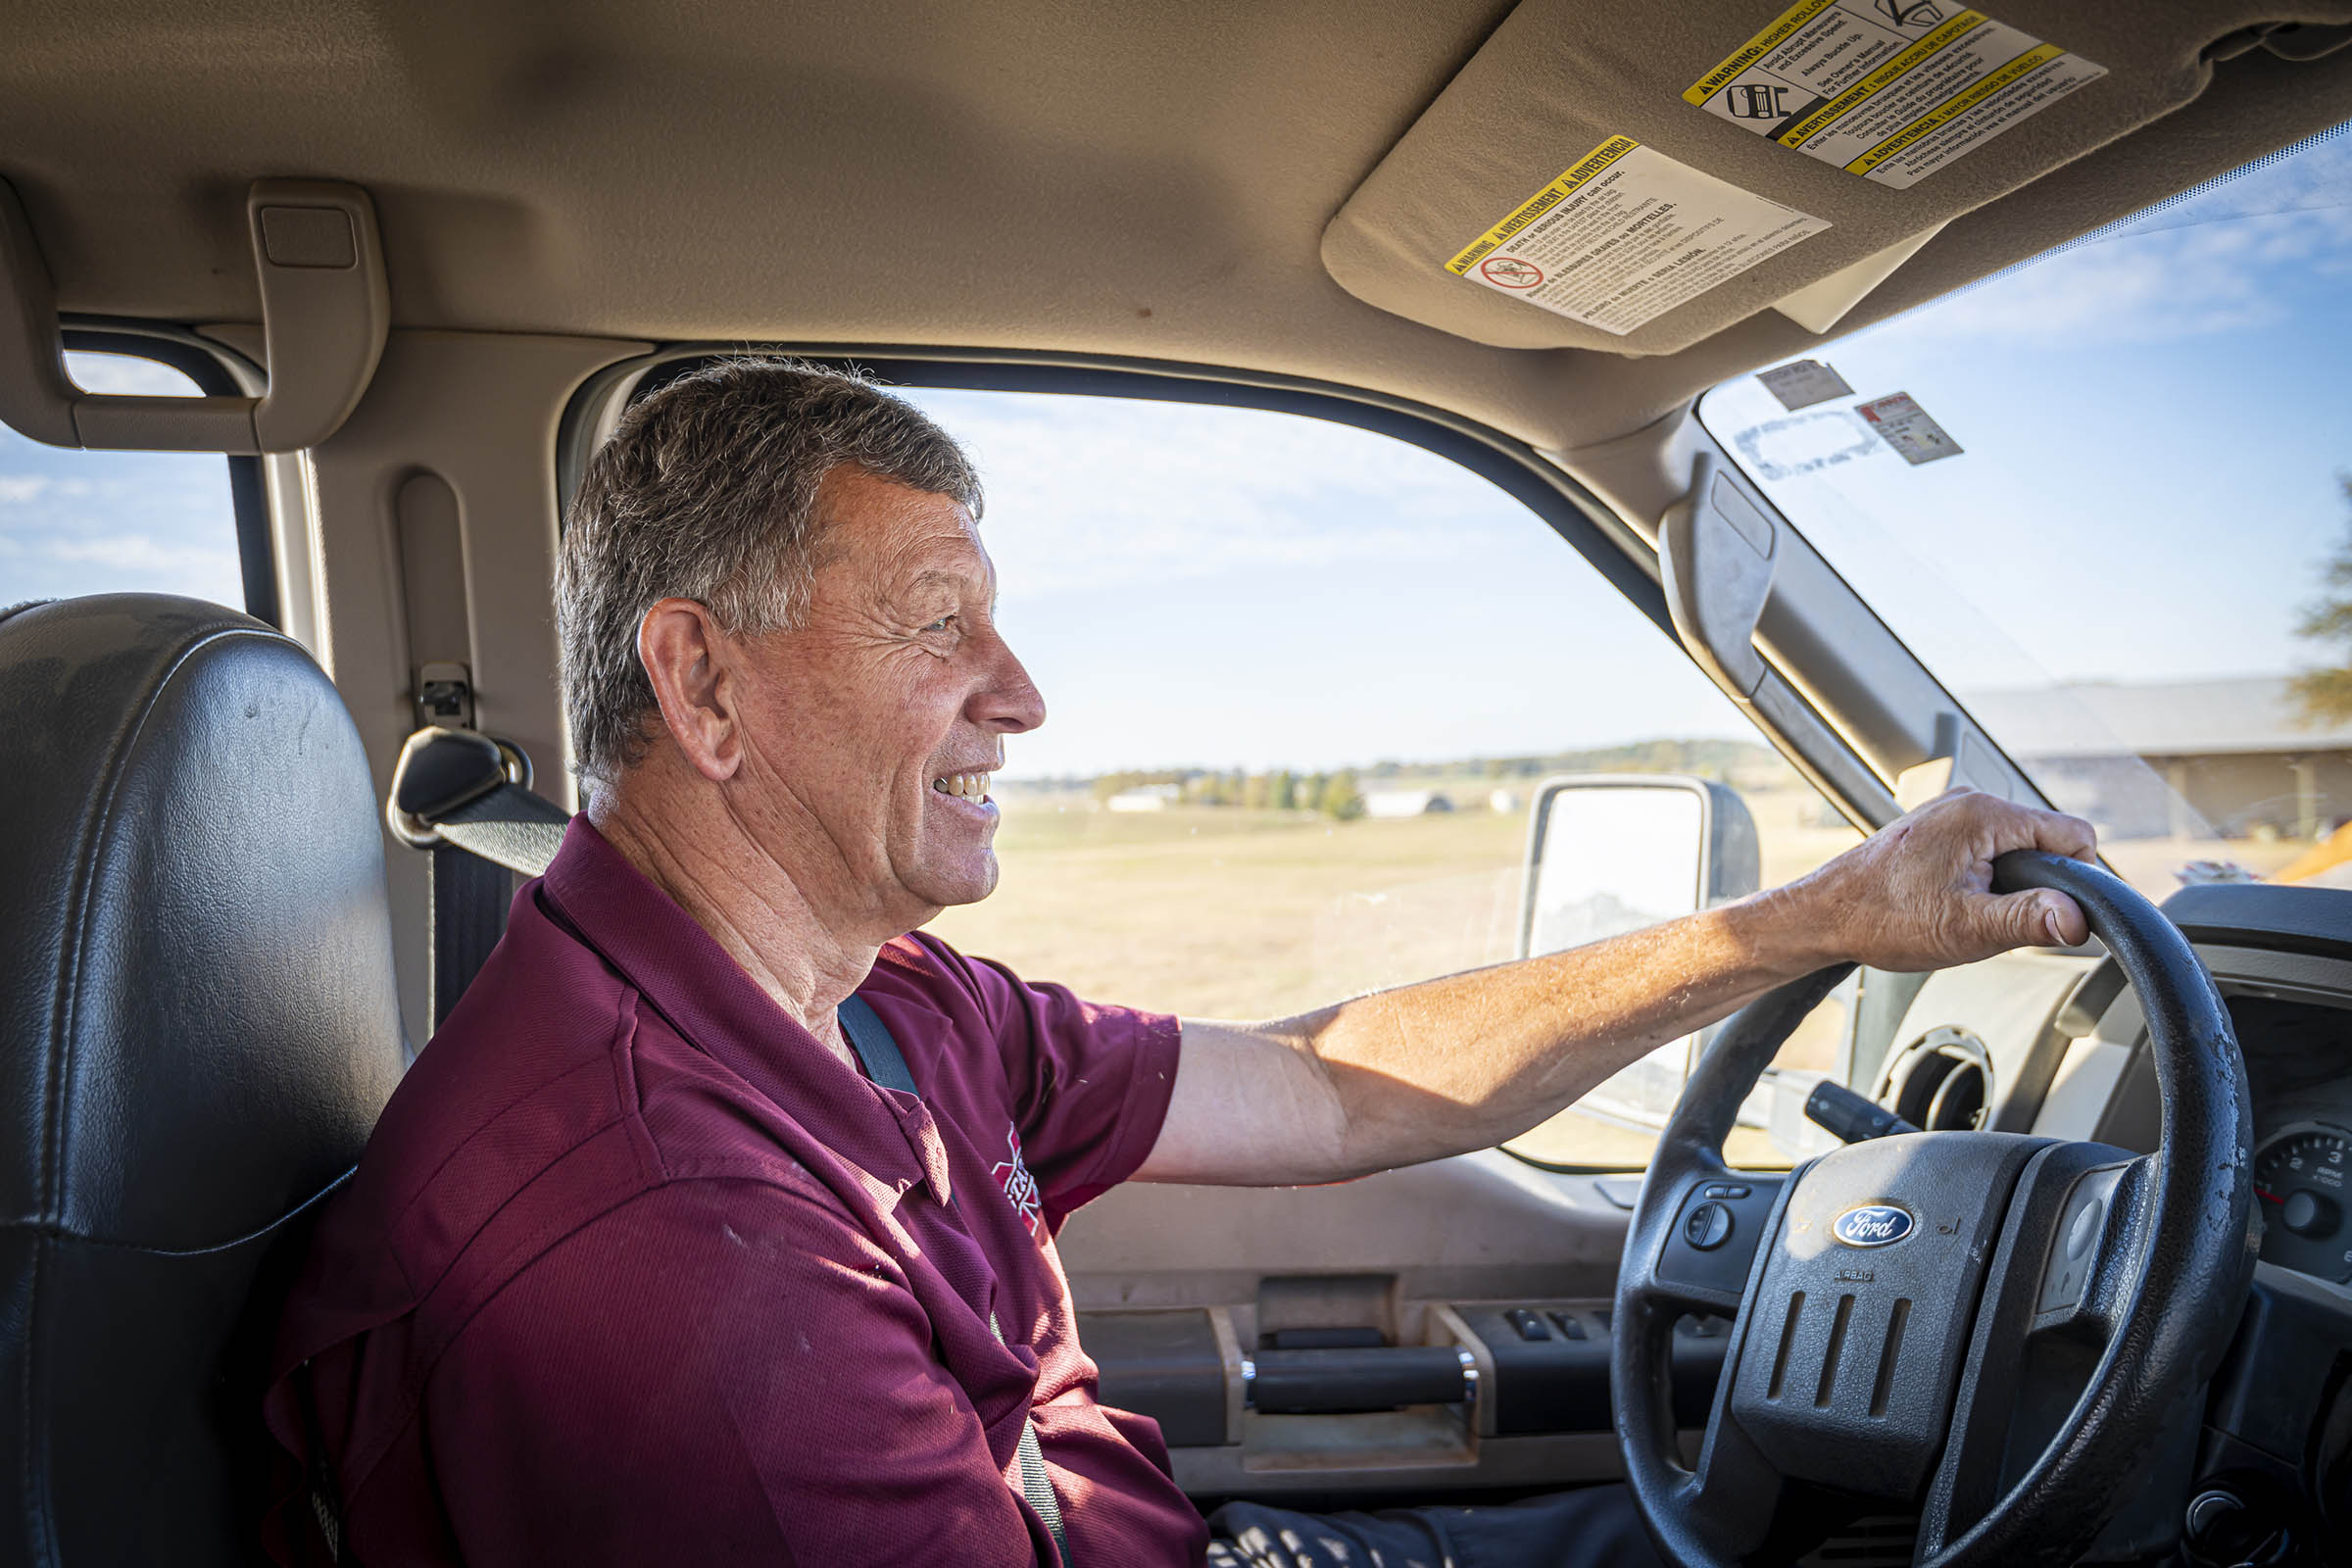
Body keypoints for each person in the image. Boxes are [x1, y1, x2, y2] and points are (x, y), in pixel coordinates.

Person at [263, 359, 2097, 1567]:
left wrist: (1811, 922)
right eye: (937, 626)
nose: (1026, 694)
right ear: (707, 684)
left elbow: (1318, 1084)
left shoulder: (877, 998)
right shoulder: (666, 1249)